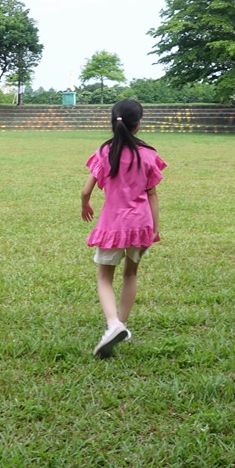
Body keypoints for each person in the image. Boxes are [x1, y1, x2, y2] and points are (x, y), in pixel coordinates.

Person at [80, 99, 166, 359]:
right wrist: (155, 228)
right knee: (131, 274)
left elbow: (85, 190)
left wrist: (85, 205)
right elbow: (152, 194)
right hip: (141, 225)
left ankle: (113, 324)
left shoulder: (104, 152)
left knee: (104, 278)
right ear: (138, 124)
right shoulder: (148, 154)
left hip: (113, 226)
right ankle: (122, 325)